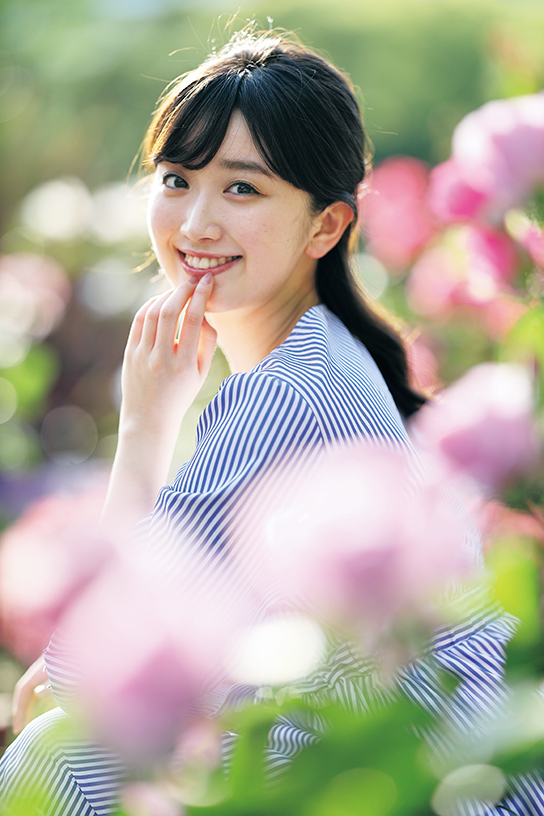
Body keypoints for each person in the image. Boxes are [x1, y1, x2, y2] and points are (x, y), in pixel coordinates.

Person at [0, 27, 536, 816]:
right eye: (177, 179)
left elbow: (91, 668)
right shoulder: (328, 355)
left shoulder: (292, 388)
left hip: (418, 789)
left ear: (326, 225)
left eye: (242, 189)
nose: (194, 224)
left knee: (59, 755)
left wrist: (147, 425)